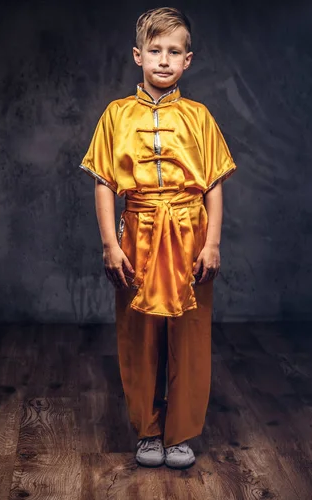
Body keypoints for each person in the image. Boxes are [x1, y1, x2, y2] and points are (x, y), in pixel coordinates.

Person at [79, 7, 237, 469]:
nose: (163, 60)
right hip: (139, 236)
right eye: (155, 50)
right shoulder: (116, 115)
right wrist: (111, 243)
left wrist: (213, 243)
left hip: (191, 234)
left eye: (174, 52)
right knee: (139, 334)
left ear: (188, 60)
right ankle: (148, 431)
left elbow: (214, 184)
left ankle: (181, 432)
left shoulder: (200, 117)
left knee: (189, 333)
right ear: (137, 56)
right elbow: (104, 182)